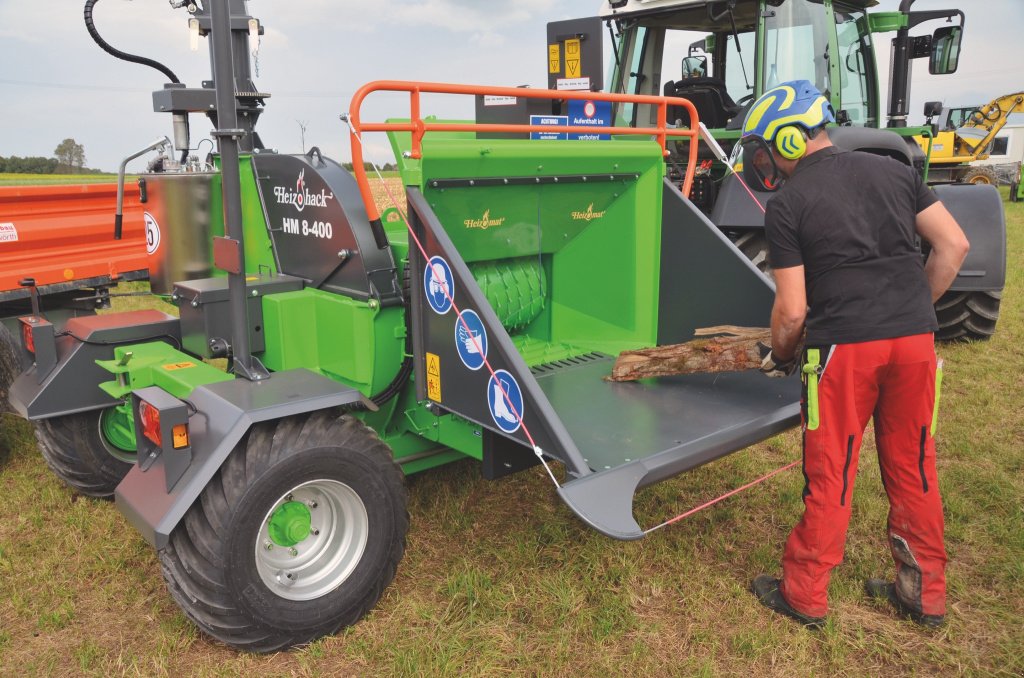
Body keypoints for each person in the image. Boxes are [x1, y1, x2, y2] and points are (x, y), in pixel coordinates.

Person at [740, 80, 970, 629]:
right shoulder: (896, 171)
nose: (765, 161)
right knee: (915, 466)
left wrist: (780, 353)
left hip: (843, 352)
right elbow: (954, 244)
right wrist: (912, 309)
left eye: (766, 149)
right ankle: (922, 593)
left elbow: (792, 311)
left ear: (788, 141)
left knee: (832, 472)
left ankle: (804, 595)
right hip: (915, 344)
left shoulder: (788, 204)